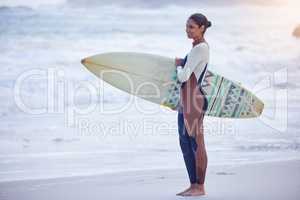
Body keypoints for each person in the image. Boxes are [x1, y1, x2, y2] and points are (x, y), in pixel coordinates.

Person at [175, 13, 211, 196]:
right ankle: (193, 184)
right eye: (187, 26)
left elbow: (183, 77)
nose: (187, 30)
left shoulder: (200, 48)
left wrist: (178, 66)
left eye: (191, 27)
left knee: (196, 144)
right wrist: (184, 62)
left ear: (202, 28)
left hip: (194, 102)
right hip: (186, 101)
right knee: (185, 143)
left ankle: (200, 186)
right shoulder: (196, 48)